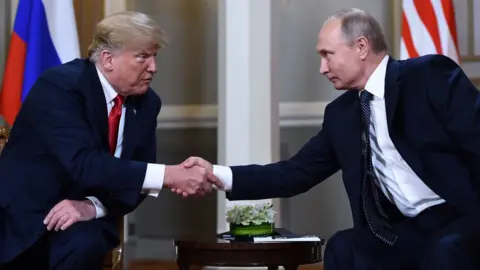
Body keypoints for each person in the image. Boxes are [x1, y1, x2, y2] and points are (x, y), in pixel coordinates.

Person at [176, 8, 480, 270]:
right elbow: (295, 173)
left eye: (327, 55)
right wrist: (217, 174)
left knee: (447, 249)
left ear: (361, 47)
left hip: (462, 216)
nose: (322, 68)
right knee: (344, 248)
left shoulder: (428, 76)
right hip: (407, 229)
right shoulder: (341, 115)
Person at [0, 11, 221, 270]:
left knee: (85, 244)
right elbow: (84, 163)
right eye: (142, 57)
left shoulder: (148, 103)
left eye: (154, 56)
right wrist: (170, 175)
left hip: (84, 220)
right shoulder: (61, 87)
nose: (153, 67)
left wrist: (93, 207)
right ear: (108, 59)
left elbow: (139, 174)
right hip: (26, 217)